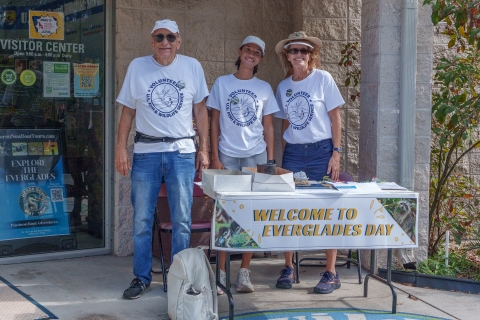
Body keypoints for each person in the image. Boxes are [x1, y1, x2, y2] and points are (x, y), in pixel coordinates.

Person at [115, 19, 210, 299]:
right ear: (152, 41)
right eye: (159, 37)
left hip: (182, 152)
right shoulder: (137, 67)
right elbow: (128, 112)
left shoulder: (192, 66)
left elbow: (201, 111)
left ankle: (179, 278)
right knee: (142, 220)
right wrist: (120, 148)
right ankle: (141, 278)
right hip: (146, 152)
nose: (165, 42)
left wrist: (204, 148)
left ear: (179, 41)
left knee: (182, 219)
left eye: (170, 37)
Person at [273, 31, 345, 294]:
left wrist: (335, 152)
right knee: (289, 210)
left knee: (326, 210)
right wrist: (285, 153)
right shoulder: (284, 87)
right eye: (294, 51)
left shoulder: (323, 79)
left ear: (311, 55)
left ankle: (331, 272)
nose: (299, 55)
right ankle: (289, 268)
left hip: (320, 151)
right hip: (293, 151)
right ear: (287, 56)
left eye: (304, 51)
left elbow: (335, 118)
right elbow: (284, 122)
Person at [207, 36, 279, 294]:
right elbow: (214, 121)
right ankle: (222, 273)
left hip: (255, 156)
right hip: (227, 155)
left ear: (260, 58)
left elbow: (268, 126)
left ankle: (244, 273)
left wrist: (270, 160)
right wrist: (214, 156)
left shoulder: (264, 88)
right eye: (248, 49)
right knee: (225, 214)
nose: (252, 54)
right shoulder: (222, 83)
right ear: (240, 52)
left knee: (251, 214)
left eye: (257, 52)